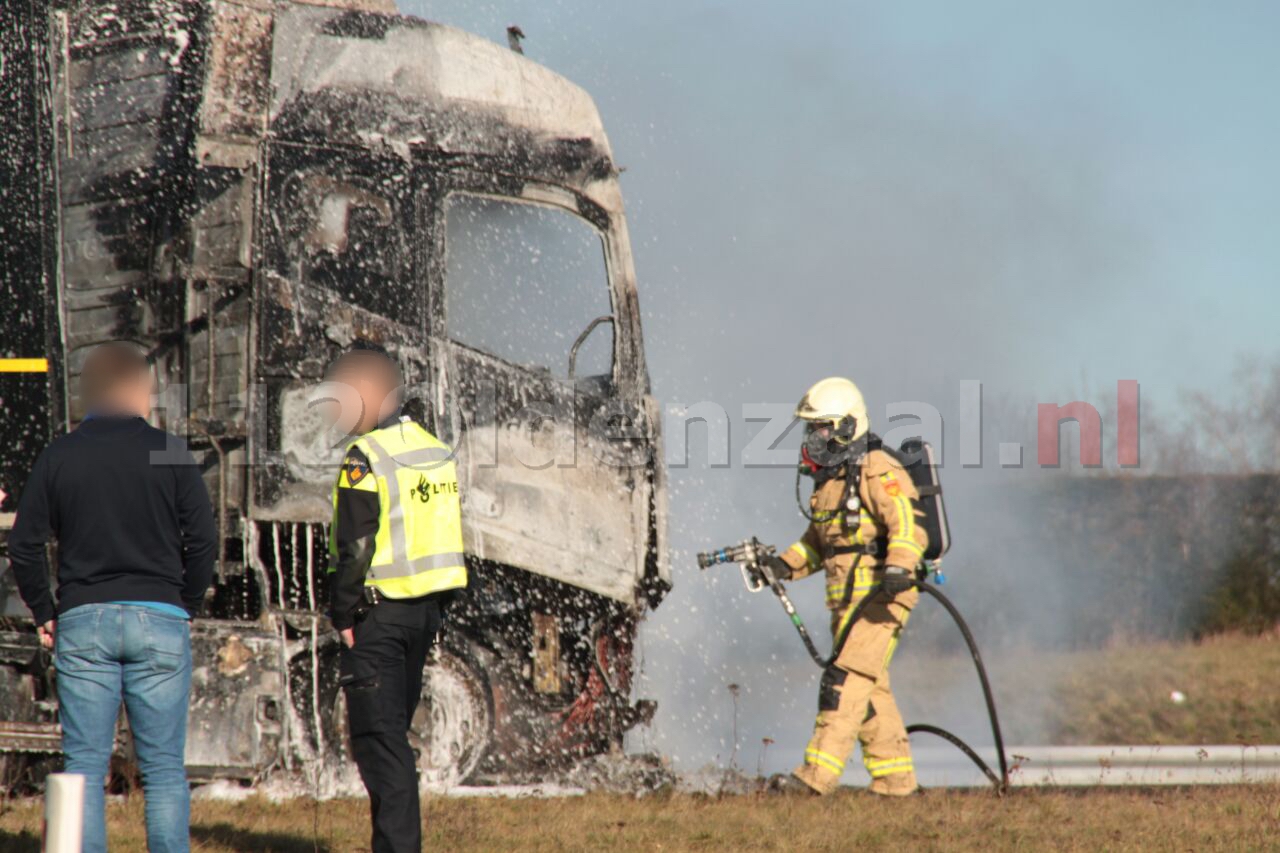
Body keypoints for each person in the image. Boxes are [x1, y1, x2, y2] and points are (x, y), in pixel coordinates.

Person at [7, 341, 217, 852]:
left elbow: (24, 544)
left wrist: (44, 612)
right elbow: (205, 540)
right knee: (164, 769)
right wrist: (184, 602)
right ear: (138, 388)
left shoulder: (61, 453)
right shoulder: (169, 449)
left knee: (81, 767)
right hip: (161, 618)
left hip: (82, 620)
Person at [325, 348, 467, 853]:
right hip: (423, 615)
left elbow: (356, 545)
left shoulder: (366, 458)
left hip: (378, 619)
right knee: (393, 742)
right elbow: (446, 535)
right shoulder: (436, 450)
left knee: (382, 748)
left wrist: (344, 612)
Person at [768, 377, 927, 797]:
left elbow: (908, 525)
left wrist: (899, 568)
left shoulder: (878, 468)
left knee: (844, 680)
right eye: (811, 429)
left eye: (820, 428)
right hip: (848, 602)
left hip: (881, 595)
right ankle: (896, 782)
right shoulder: (833, 479)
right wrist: (784, 565)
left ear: (845, 426)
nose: (813, 438)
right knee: (869, 688)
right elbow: (819, 542)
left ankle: (814, 779)